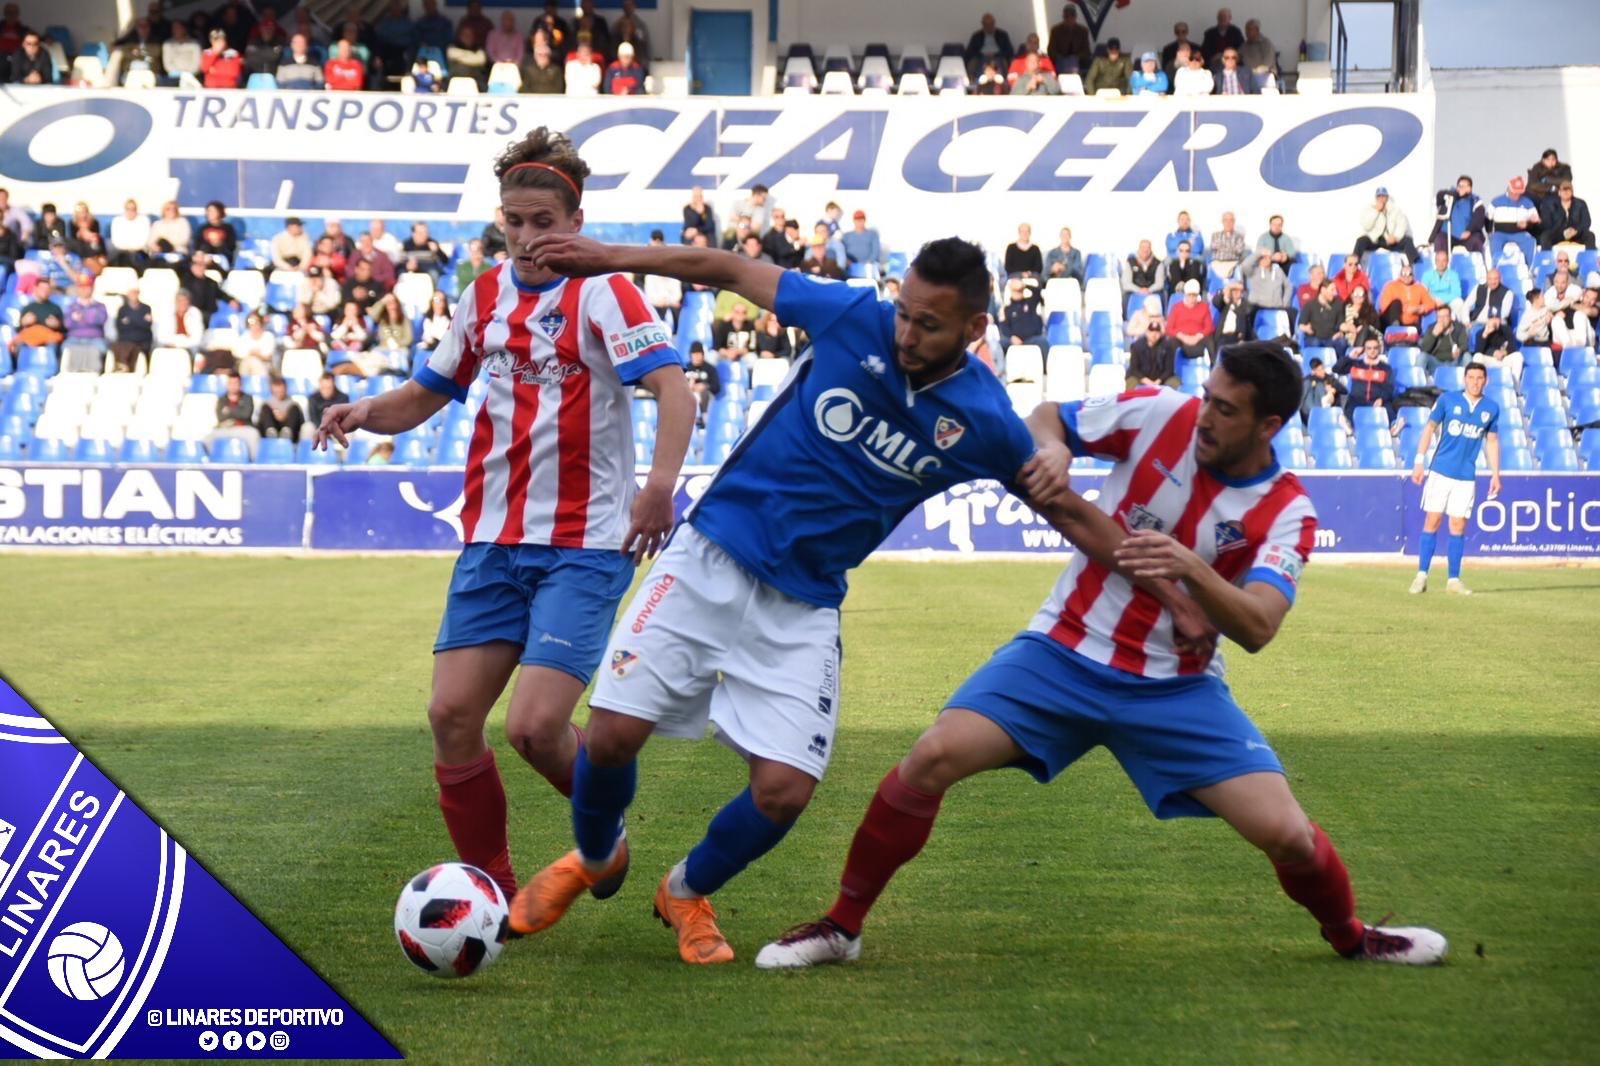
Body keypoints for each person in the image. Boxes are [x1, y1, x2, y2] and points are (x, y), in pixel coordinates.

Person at [755, 341, 1448, 970]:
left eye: (1226, 410)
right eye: (1207, 396)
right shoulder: (1159, 413)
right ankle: (841, 928)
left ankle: (1354, 937)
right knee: (931, 756)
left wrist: (1192, 573)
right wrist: (1053, 446)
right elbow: (1049, 414)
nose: (1204, 416)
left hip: (1175, 689)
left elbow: (1261, 625)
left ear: (1269, 427)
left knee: (1289, 834)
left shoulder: (1287, 511)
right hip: (1064, 650)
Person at [502, 231, 1078, 966]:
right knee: (611, 737)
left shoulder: (985, 420)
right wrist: (608, 255)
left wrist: (1166, 572)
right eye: (903, 312)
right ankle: (594, 854)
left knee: (784, 792)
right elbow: (727, 267)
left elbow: (1063, 500)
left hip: (803, 604)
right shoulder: (850, 316)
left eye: (928, 324)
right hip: (708, 554)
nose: (905, 333)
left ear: (974, 329)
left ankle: (683, 891)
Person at [314, 126, 694, 907]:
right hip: (492, 540)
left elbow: (675, 390)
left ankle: (602, 835)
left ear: (573, 220)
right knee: (451, 714)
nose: (526, 237)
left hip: (584, 544)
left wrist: (660, 485)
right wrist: (363, 411)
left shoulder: (605, 290)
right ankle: (493, 888)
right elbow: (425, 395)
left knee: (534, 729)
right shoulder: (481, 295)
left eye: (542, 222)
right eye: (513, 222)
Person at [1409, 364, 1500, 597]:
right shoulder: (1448, 400)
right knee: (1433, 519)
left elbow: (1491, 441)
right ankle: (1421, 575)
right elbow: (1429, 428)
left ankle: (1453, 579)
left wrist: (1495, 474)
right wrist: (1419, 461)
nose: (1475, 382)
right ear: (1464, 379)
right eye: (1471, 377)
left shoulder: (1491, 408)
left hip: (1465, 476)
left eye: (1480, 378)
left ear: (1486, 381)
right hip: (1440, 470)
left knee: (1458, 525)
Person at [1352, 187, 1417, 265]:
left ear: (1387, 197)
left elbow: (1402, 225)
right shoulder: (1369, 209)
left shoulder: (1395, 209)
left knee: (1407, 241)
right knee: (1361, 241)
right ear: (1376, 198)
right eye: (1379, 196)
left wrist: (1396, 237)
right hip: (1375, 240)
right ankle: (1354, 264)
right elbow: (1366, 226)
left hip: (1390, 240)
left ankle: (1414, 265)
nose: (1381, 198)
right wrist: (1376, 211)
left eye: (1383, 196)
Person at [1334, 336, 1394, 415]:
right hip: (1356, 401)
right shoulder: (1355, 364)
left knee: (1389, 413)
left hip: (1377, 401)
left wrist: (1382, 399)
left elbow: (1389, 388)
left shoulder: (1385, 368)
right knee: (1347, 417)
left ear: (1379, 349)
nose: (1372, 351)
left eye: (1375, 348)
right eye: (1369, 348)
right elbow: (1336, 369)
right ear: (1365, 350)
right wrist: (1349, 357)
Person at [1467, 268, 1515, 364]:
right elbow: (1467, 305)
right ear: (1486, 279)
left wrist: (1491, 322)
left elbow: (1504, 313)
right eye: (1490, 279)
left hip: (1498, 321)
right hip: (1476, 321)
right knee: (1467, 331)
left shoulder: (1507, 293)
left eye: (1495, 279)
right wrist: (1466, 320)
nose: (1492, 282)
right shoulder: (1478, 288)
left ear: (1500, 279)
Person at [209, 371, 260, 458]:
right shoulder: (222, 399)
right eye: (230, 383)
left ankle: (253, 463)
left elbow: (246, 415)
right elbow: (221, 417)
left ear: (240, 384)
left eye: (235, 383)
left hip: (243, 428)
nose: (233, 386)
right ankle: (212, 463)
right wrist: (237, 411)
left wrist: (229, 411)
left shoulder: (247, 398)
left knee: (254, 434)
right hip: (225, 428)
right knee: (208, 438)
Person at [1430, 175, 1485, 255]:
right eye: (1459, 186)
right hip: (1448, 234)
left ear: (1469, 188)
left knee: (1476, 241)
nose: (1460, 188)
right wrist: (1453, 194)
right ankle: (1441, 264)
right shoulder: (1449, 197)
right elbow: (1439, 197)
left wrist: (1469, 230)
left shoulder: (1475, 200)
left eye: (1463, 186)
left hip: (1467, 235)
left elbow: (1478, 218)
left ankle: (1477, 264)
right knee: (1440, 239)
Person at [1377, 261, 1436, 330]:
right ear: (1400, 275)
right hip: (1391, 321)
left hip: (1412, 323)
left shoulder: (1419, 288)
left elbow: (1430, 304)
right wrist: (1406, 309)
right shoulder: (1391, 286)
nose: (1406, 277)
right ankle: (1396, 329)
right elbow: (1384, 306)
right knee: (1396, 303)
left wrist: (1418, 309)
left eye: (1409, 274)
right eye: (1404, 274)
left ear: (1413, 276)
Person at [1126, 314, 1179, 388]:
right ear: (1147, 332)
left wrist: (1158, 381)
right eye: (1151, 331)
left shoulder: (1167, 346)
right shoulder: (1136, 346)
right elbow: (1134, 369)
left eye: (1157, 332)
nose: (1154, 334)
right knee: (1131, 381)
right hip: (1141, 377)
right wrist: (1146, 381)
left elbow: (1169, 369)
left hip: (1160, 378)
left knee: (1175, 382)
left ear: (1160, 334)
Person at [1538, 181, 1594, 250]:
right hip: (1558, 234)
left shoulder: (1580, 204)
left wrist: (1576, 231)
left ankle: (1590, 259)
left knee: (1590, 236)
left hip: (1576, 233)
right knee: (1545, 236)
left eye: (1568, 190)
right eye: (1563, 190)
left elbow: (1586, 222)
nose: (1566, 192)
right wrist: (1563, 232)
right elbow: (1547, 224)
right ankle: (1547, 259)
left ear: (1572, 192)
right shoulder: (1551, 205)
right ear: (1559, 192)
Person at [111, 286, 155, 372]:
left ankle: (127, 369)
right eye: (131, 293)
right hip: (126, 339)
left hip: (142, 340)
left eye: (135, 293)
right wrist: (139, 320)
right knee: (122, 346)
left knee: (134, 347)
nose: (133, 295)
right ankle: (123, 368)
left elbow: (146, 326)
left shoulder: (146, 308)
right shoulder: (122, 309)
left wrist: (130, 321)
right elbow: (120, 326)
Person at [1167, 279, 1215, 359]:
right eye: (1189, 295)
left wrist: (1197, 337)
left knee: (1210, 342)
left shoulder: (1204, 307)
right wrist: (1182, 336)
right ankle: (1172, 370)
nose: (1192, 298)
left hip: (1198, 339)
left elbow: (1209, 327)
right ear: (1185, 295)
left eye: (1194, 295)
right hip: (1181, 340)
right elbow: (1169, 328)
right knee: (1171, 343)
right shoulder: (1176, 308)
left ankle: (1212, 367)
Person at [998, 277, 1046, 353]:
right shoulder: (1007, 309)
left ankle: (1045, 365)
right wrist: (1012, 337)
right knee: (1001, 344)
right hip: (1014, 340)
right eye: (1016, 291)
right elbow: (1004, 326)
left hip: (1031, 339)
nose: (1018, 293)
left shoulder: (1030, 303)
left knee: (1043, 342)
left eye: (1020, 291)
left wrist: (1024, 285)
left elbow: (1038, 292)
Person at [1418, 306, 1469, 372]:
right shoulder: (1431, 328)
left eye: (1445, 316)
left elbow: (1464, 344)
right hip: (1436, 362)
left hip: (1454, 362)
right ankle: (1418, 380)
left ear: (1450, 317)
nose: (1442, 319)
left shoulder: (1459, 327)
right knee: (1422, 356)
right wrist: (1434, 334)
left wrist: (1460, 350)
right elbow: (1424, 349)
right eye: (1439, 317)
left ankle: (1468, 380)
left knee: (1467, 356)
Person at [255, 375, 305, 443]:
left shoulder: (293, 404)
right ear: (272, 390)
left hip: (289, 429)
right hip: (272, 427)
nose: (279, 392)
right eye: (276, 391)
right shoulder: (267, 404)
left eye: (281, 390)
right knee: (265, 409)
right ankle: (271, 433)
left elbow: (301, 422)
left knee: (294, 410)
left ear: (285, 389)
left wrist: (285, 417)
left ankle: (287, 434)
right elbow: (259, 423)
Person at [964, 12, 1014, 79]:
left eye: (991, 24)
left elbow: (1009, 50)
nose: (989, 26)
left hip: (998, 56)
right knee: (972, 63)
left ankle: (1003, 83)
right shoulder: (976, 36)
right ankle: (974, 83)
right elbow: (970, 51)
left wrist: (996, 54)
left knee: (1004, 62)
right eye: (986, 24)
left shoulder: (1002, 35)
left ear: (994, 23)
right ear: (982, 24)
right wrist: (982, 54)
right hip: (980, 57)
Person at [1297, 279, 1343, 349]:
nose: (1335, 293)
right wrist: (1306, 328)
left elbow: (1341, 323)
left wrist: (1340, 333)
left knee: (1341, 342)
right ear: (1323, 290)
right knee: (1314, 343)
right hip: (1315, 337)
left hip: (1331, 338)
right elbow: (1301, 324)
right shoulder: (1310, 305)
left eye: (1335, 290)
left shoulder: (1338, 304)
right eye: (1332, 290)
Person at [1419, 248, 1466, 318]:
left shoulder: (1453, 275)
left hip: (1449, 301)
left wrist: (1442, 300)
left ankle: (1460, 326)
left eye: (1444, 261)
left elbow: (1457, 293)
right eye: (1438, 260)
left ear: (1447, 262)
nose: (1441, 263)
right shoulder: (1427, 275)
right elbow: (1424, 292)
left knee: (1459, 302)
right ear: (1435, 261)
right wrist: (1434, 300)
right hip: (1432, 300)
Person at [683, 341, 721, 423]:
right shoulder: (685, 368)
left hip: (706, 400)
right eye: (694, 354)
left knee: (705, 393)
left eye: (699, 354)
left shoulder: (710, 369)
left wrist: (705, 386)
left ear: (703, 355)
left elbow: (717, 387)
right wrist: (689, 387)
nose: (697, 357)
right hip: (689, 398)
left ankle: (704, 419)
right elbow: (678, 387)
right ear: (691, 355)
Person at [1046, 4, 1090, 74]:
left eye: (1072, 16)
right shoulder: (1056, 30)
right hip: (1060, 60)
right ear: (1063, 17)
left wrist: (1076, 58)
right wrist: (1059, 58)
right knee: (1063, 65)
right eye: (1066, 16)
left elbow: (1086, 51)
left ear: (1075, 17)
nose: (1069, 19)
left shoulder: (1083, 31)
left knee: (1073, 63)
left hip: (1077, 61)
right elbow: (1051, 50)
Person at [1300, 356, 1345, 423]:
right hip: (1310, 409)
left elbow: (1344, 390)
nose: (1322, 371)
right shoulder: (1308, 379)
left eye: (1323, 368)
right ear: (1313, 371)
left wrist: (1333, 390)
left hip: (1328, 407)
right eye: (1319, 370)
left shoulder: (1329, 378)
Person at [1212, 278, 1256, 346]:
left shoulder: (1246, 305)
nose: (1235, 292)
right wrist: (1226, 289)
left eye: (1237, 290)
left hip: (1238, 336)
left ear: (1242, 293)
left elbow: (1245, 313)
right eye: (1233, 290)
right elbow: (1215, 302)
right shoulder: (1225, 303)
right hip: (1223, 336)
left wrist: (1234, 306)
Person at [232, 311, 278, 376]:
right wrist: (253, 353)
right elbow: (238, 353)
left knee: (254, 362)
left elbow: (268, 356)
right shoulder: (244, 337)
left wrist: (255, 354)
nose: (254, 324)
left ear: (261, 322)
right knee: (248, 362)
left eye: (256, 321)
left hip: (264, 366)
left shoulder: (268, 336)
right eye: (251, 321)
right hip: (246, 364)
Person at [841, 210, 885, 275]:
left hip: (869, 266)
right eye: (857, 220)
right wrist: (847, 261)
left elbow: (875, 251)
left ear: (864, 220)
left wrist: (869, 262)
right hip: (851, 266)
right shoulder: (846, 236)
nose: (859, 222)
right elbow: (842, 251)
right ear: (854, 221)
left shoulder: (872, 234)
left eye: (861, 219)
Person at [1207, 211, 1245, 278]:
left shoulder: (1239, 236)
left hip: (1233, 263)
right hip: (1218, 263)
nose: (1228, 223)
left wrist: (1222, 246)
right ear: (1222, 221)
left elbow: (1239, 250)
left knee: (1239, 271)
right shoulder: (1215, 235)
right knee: (1210, 269)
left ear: (1234, 222)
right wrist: (1232, 247)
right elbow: (1213, 247)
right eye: (1226, 220)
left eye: (1231, 220)